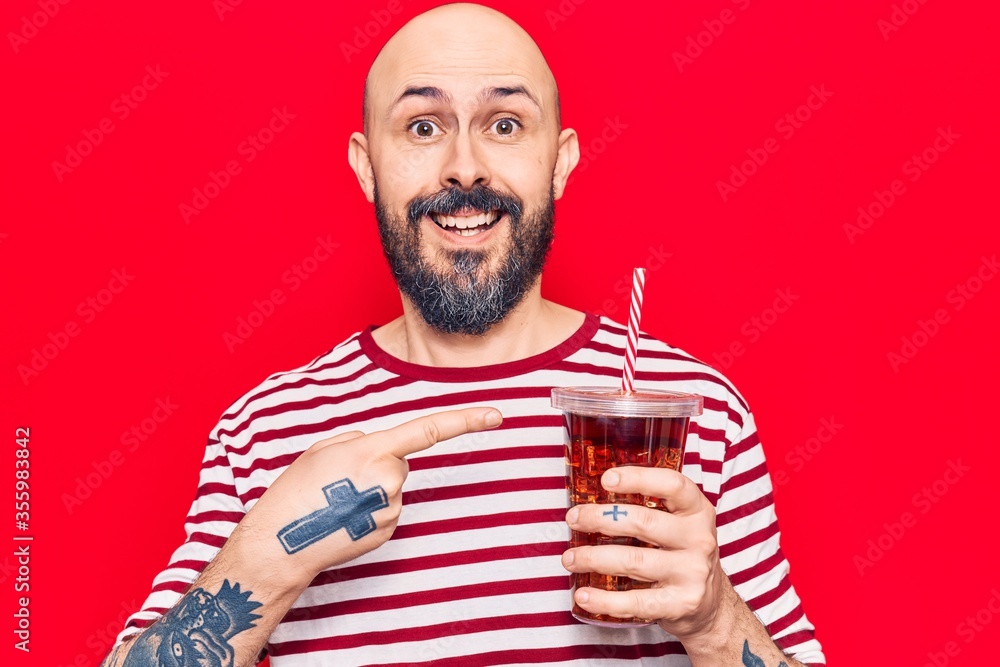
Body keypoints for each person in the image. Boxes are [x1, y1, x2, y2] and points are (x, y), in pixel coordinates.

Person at [104, 3, 825, 665]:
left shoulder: (692, 411)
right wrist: (266, 555)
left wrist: (711, 619)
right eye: (422, 126)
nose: (465, 165)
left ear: (560, 161)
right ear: (366, 168)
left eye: (505, 124)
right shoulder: (264, 430)